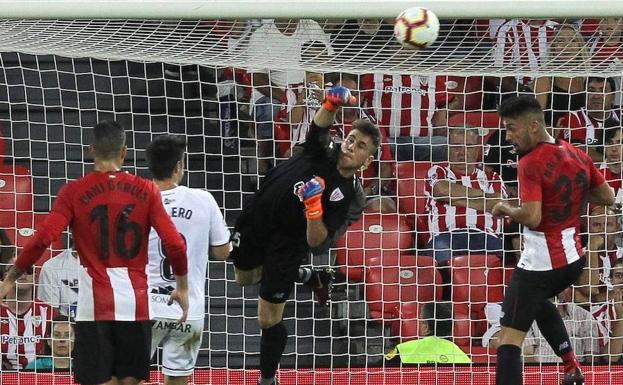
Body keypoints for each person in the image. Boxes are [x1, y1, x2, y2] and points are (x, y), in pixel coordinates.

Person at [0, 120, 189, 385]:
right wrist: (181, 286)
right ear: (124, 152)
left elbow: (42, 238)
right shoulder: (147, 190)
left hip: (93, 306)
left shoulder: (74, 191)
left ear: (91, 150)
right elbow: (176, 244)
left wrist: (10, 278)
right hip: (134, 304)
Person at [231, 86, 379, 385]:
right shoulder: (320, 151)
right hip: (257, 219)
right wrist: (331, 103)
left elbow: (317, 241)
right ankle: (306, 275)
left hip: (288, 244)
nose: (352, 146)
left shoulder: (347, 195)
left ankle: (267, 378)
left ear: (367, 161)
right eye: (351, 139)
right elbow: (320, 123)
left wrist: (313, 208)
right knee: (243, 279)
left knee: (267, 319)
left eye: (361, 145)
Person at [491, 95, 615, 385]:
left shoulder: (529, 163)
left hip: (540, 264)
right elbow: (607, 196)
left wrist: (506, 207)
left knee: (507, 340)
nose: (508, 136)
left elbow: (532, 217)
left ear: (533, 126)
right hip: (573, 259)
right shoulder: (576, 154)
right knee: (537, 303)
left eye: (511, 128)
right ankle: (571, 366)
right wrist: (569, 200)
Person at [146, 134, 231, 385]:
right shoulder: (203, 200)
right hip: (188, 309)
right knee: (178, 378)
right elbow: (222, 252)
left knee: (130, 376)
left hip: (146, 306)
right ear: (178, 167)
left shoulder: (139, 201)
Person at [0, 254, 53, 370]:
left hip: (41, 379)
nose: (22, 273)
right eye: (15, 270)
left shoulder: (50, 313)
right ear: (5, 277)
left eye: (28, 269)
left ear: (35, 277)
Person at [384, 302, 471, 364]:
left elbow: (378, 372)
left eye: (421, 321)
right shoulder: (462, 357)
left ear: (426, 327)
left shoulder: (403, 350)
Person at [37, 245, 82, 318]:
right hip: (67, 327)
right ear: (71, 234)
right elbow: (50, 313)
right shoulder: (51, 267)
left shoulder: (106, 265)